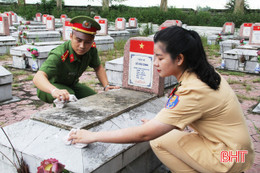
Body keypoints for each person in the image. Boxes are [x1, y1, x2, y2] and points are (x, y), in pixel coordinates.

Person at [68, 26, 254, 173]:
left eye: (159, 57)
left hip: (230, 157)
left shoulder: (194, 90)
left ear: (179, 58)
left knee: (157, 140)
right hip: (241, 153)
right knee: (164, 134)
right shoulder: (204, 73)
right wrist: (161, 123)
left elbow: (144, 134)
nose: (154, 63)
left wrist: (92, 136)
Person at [33, 16, 119, 103]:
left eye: (87, 42)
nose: (82, 46)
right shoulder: (60, 54)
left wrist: (106, 86)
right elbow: (38, 77)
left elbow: (98, 68)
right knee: (68, 97)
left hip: (71, 85)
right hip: (49, 87)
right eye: (78, 40)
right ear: (71, 36)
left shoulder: (91, 51)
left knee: (95, 100)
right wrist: (54, 90)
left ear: (92, 41)